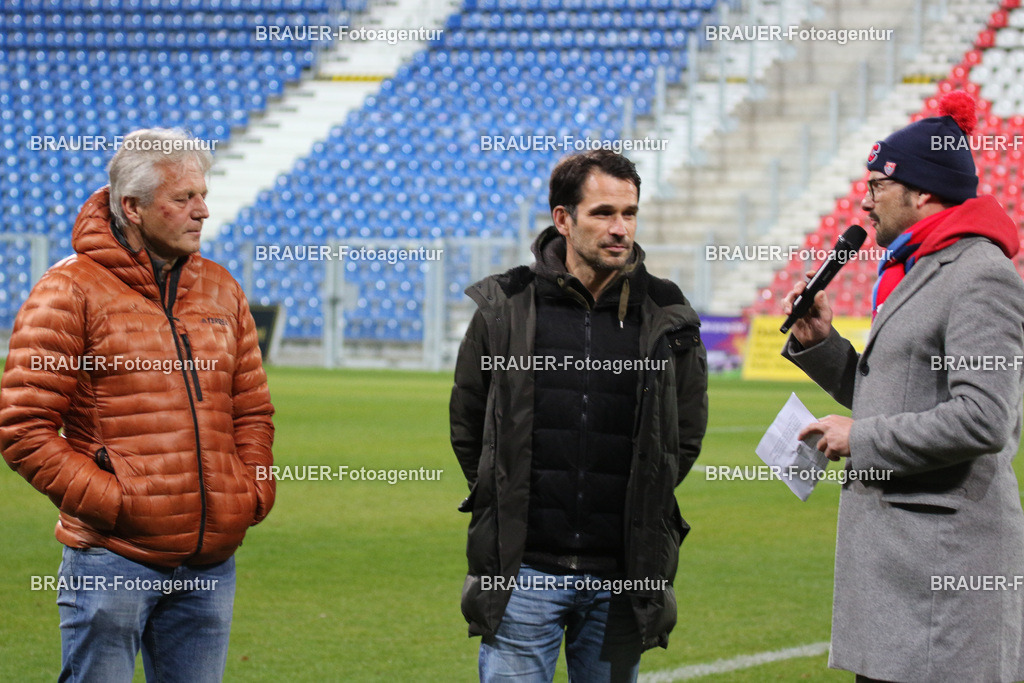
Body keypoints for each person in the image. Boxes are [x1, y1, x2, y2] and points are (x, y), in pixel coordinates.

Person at [0, 128, 275, 682]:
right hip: (113, 557)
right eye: (183, 199)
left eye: (202, 196)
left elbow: (252, 411)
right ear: (133, 207)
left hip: (209, 562)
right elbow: (24, 427)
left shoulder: (224, 289)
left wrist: (252, 489)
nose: (202, 211)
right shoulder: (69, 291)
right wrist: (115, 502)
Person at [782, 91, 1024, 682]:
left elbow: (985, 417)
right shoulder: (917, 266)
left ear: (922, 192)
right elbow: (894, 392)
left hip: (941, 568)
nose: (864, 204)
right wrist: (822, 343)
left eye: (876, 187)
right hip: (901, 565)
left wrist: (861, 438)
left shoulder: (980, 275)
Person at [450, 149, 708, 682]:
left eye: (629, 213)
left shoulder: (665, 309)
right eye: (603, 213)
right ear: (563, 219)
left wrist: (646, 505)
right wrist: (499, 497)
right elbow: (469, 421)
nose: (620, 228)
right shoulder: (507, 303)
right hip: (523, 573)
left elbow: (683, 434)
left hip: (623, 575)